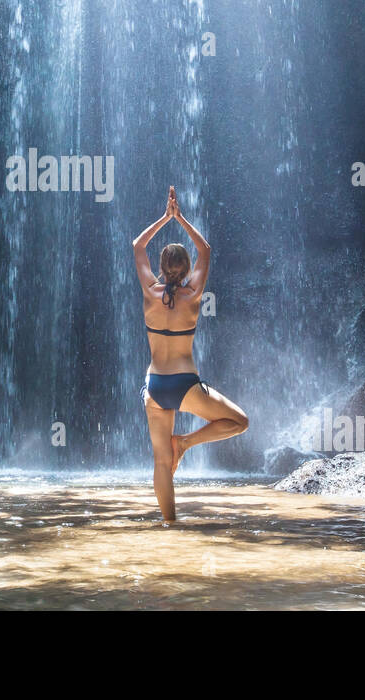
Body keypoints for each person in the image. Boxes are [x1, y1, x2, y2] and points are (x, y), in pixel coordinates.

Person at [132, 185, 248, 523]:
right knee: (238, 422)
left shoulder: (150, 292)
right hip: (185, 384)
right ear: (186, 270)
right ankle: (186, 443)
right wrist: (180, 218)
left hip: (155, 385)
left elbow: (138, 246)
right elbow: (206, 249)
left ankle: (169, 525)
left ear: (163, 267)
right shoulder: (194, 294)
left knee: (160, 462)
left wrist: (163, 218)